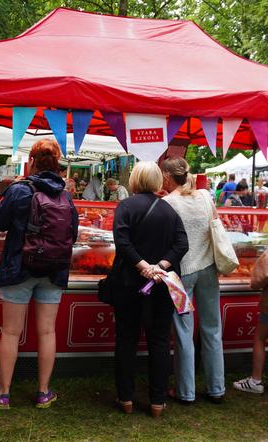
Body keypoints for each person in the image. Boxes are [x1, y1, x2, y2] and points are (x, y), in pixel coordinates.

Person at [0, 139, 78, 410]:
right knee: (47, 332)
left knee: (11, 332)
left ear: (32, 161)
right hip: (53, 270)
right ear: (57, 163)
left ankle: (3, 394)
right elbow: (72, 234)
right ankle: (43, 392)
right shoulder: (65, 195)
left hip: (19, 267)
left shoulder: (19, 190)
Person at [112, 161, 188, 418]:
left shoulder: (125, 206)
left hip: (128, 283)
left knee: (126, 340)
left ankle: (125, 398)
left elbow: (121, 241)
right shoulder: (168, 210)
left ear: (134, 180)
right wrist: (160, 267)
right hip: (162, 284)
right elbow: (182, 243)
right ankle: (157, 401)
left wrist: (144, 266)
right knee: (159, 341)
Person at [161, 157, 225, 405]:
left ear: (167, 176)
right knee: (212, 328)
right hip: (209, 269)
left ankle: (185, 392)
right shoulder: (206, 197)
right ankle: (216, 388)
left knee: (183, 331)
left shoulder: (167, 203)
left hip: (181, 273)